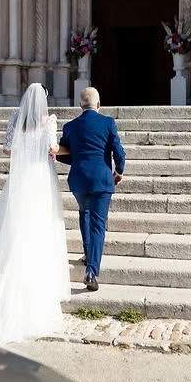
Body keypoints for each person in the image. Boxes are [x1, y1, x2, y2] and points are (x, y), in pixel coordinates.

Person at [0, 83, 71, 344]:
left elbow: (7, 148)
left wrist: (23, 146)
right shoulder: (49, 121)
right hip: (41, 179)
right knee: (40, 229)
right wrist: (62, 150)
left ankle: (7, 274)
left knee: (15, 228)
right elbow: (53, 148)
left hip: (20, 181)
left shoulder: (15, 120)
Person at [57, 87, 125, 292]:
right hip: (102, 180)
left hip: (78, 179)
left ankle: (88, 254)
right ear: (99, 104)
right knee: (97, 224)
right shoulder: (107, 123)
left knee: (84, 213)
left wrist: (77, 161)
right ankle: (92, 272)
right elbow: (119, 152)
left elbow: (60, 153)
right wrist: (119, 171)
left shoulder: (70, 127)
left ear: (80, 105)